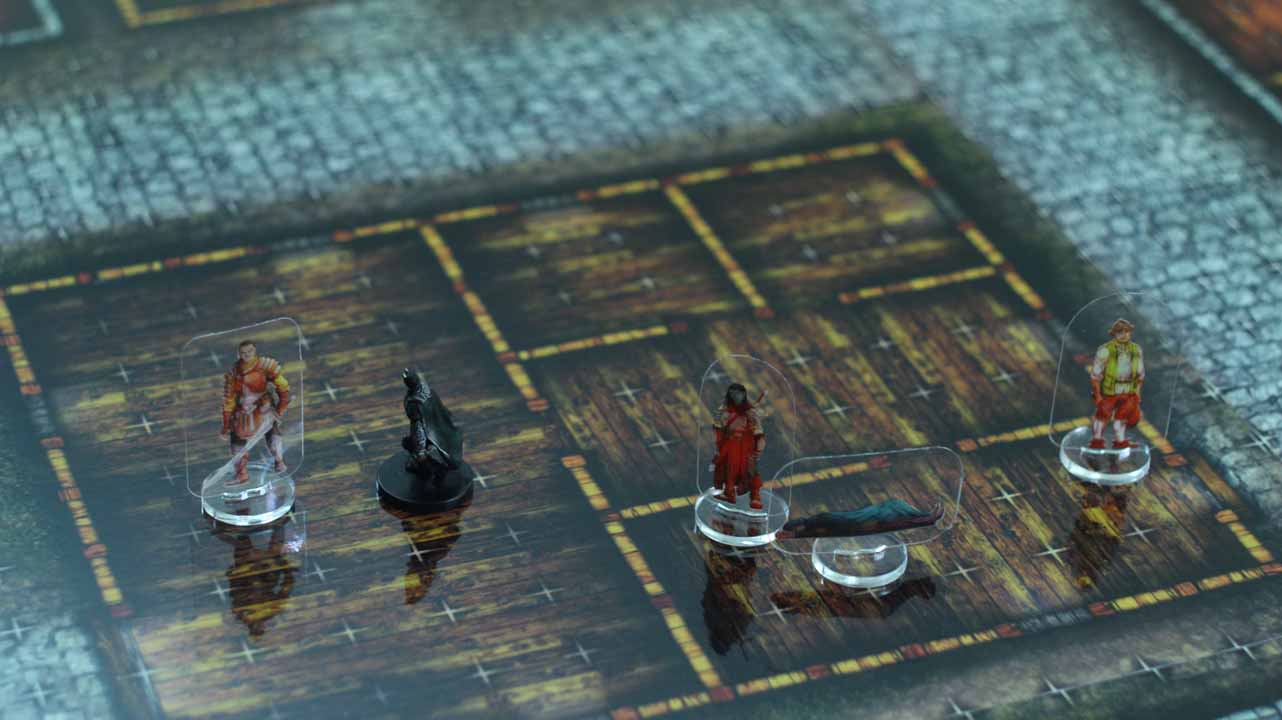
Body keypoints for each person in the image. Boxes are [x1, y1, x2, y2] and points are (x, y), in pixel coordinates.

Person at [220, 340, 289, 486]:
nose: (246, 355)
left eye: (249, 351)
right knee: (237, 440)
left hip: (264, 408)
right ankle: (242, 474)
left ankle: (279, 462)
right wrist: (226, 425)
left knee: (272, 432)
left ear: (255, 350)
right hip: (243, 414)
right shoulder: (233, 373)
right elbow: (229, 401)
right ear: (239, 354)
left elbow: (283, 387)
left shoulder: (266, 365)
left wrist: (280, 409)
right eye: (243, 352)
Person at [1089, 319, 1144, 450]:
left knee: (1122, 417)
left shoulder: (1136, 349)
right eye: (1120, 332)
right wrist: (1097, 394)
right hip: (1109, 390)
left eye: (1126, 331)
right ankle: (1096, 441)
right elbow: (1095, 375)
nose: (1124, 335)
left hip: (1128, 390)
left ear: (1130, 332)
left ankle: (1120, 442)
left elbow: (1140, 373)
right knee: (1102, 416)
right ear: (1114, 334)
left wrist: (1137, 393)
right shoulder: (1105, 350)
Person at [712, 382, 765, 509]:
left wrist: (759, 447)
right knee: (728, 470)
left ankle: (755, 497)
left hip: (746, 446)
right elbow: (719, 429)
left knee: (750, 470)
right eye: (733, 394)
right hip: (730, 445)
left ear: (744, 395)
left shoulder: (750, 413)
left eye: (739, 394)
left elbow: (758, 431)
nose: (736, 397)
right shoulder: (725, 411)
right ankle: (729, 493)